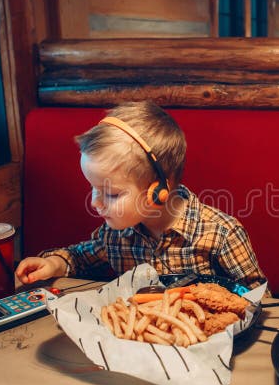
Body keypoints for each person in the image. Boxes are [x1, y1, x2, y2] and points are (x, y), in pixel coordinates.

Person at [16, 100, 266, 287]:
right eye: (93, 188)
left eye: (111, 194)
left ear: (158, 192)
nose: (95, 203)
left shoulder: (220, 234)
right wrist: (53, 264)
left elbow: (259, 298)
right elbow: (79, 257)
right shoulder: (114, 235)